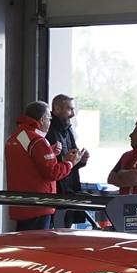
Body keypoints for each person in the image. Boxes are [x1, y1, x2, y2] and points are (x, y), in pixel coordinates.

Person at [4, 99, 87, 232]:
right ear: (42, 120)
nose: (50, 122)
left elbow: (27, 165)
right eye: (49, 119)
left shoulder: (15, 137)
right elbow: (52, 172)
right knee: (37, 243)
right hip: (38, 205)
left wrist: (51, 154)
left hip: (19, 204)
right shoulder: (37, 140)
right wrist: (71, 162)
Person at [48, 94, 90, 226]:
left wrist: (81, 159)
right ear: (57, 109)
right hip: (54, 194)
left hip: (69, 191)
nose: (73, 114)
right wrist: (66, 160)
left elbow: (72, 161)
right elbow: (45, 164)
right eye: (70, 109)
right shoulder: (47, 131)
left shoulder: (68, 130)